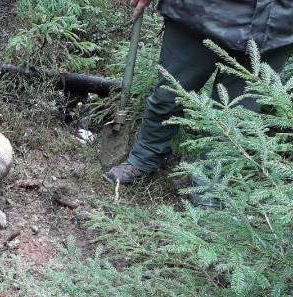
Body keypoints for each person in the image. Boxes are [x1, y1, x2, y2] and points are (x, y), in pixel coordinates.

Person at [106, 0, 293, 187]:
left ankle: (210, 186)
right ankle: (144, 158)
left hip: (277, 26)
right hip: (197, 12)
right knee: (169, 94)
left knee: (236, 118)